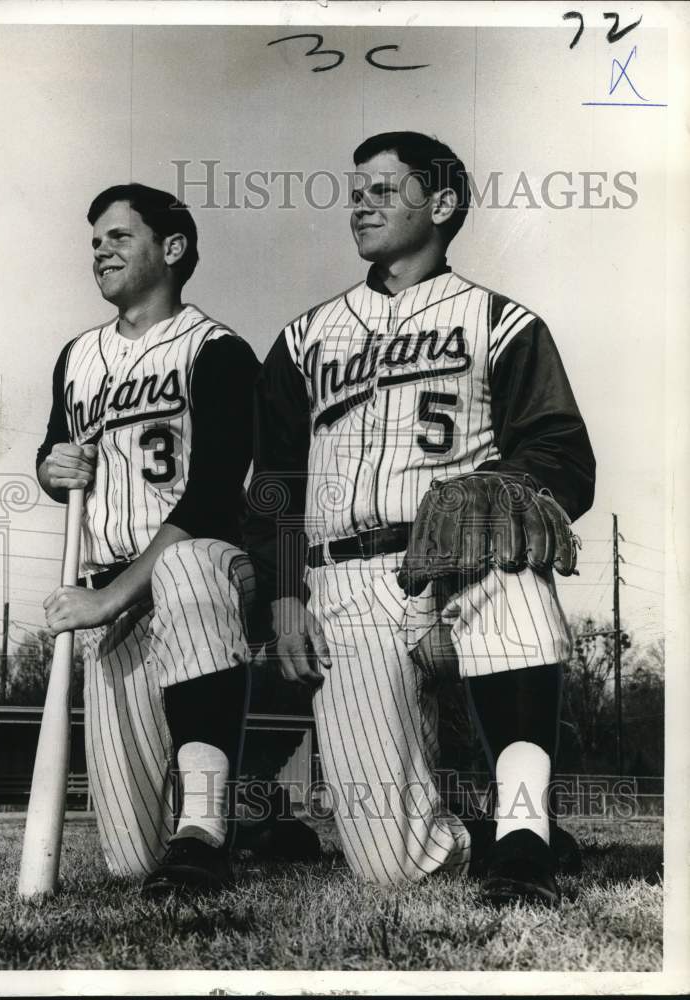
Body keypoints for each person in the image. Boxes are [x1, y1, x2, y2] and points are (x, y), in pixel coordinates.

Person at [243, 132, 595, 905]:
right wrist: (283, 590)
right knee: (388, 862)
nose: (360, 200)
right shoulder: (305, 338)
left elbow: (563, 451)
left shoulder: (501, 321)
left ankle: (526, 832)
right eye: (355, 187)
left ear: (439, 204)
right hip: (346, 580)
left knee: (510, 553)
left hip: (463, 570)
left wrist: (501, 484)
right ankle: (485, 832)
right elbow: (275, 479)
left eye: (382, 187)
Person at [36, 183, 263, 895]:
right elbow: (57, 457)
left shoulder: (219, 351)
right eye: (95, 240)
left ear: (173, 248)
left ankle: (205, 829)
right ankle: (255, 828)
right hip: (111, 586)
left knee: (189, 566)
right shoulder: (76, 356)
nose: (100, 249)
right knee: (131, 861)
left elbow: (213, 497)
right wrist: (50, 467)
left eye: (118, 236)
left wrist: (106, 602)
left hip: (202, 574)